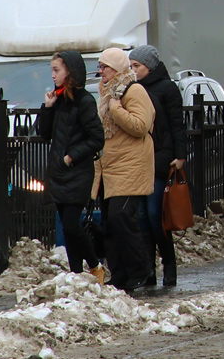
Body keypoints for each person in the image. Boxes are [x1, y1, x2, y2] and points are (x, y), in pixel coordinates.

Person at [37, 50, 106, 284]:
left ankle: (95, 266)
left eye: (57, 70)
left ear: (70, 72)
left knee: (71, 225)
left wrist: (71, 157)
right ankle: (76, 274)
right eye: (52, 70)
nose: (53, 75)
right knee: (68, 228)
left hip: (77, 172)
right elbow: (44, 134)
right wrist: (47, 108)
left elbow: (97, 138)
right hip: (59, 173)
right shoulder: (57, 99)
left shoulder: (85, 101)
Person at [93, 47, 155, 293]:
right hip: (111, 166)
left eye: (105, 66)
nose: (101, 71)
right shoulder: (107, 91)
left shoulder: (133, 90)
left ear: (117, 68)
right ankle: (119, 275)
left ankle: (140, 270)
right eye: (99, 66)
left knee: (122, 218)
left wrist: (116, 109)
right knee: (110, 223)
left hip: (131, 165)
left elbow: (141, 126)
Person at [129, 44, 187, 288]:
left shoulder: (167, 88)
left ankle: (169, 265)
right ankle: (148, 271)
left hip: (161, 158)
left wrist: (180, 155)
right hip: (140, 159)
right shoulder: (134, 88)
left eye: (137, 66)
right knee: (142, 217)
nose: (133, 70)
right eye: (131, 66)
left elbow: (177, 124)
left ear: (150, 66)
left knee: (155, 215)